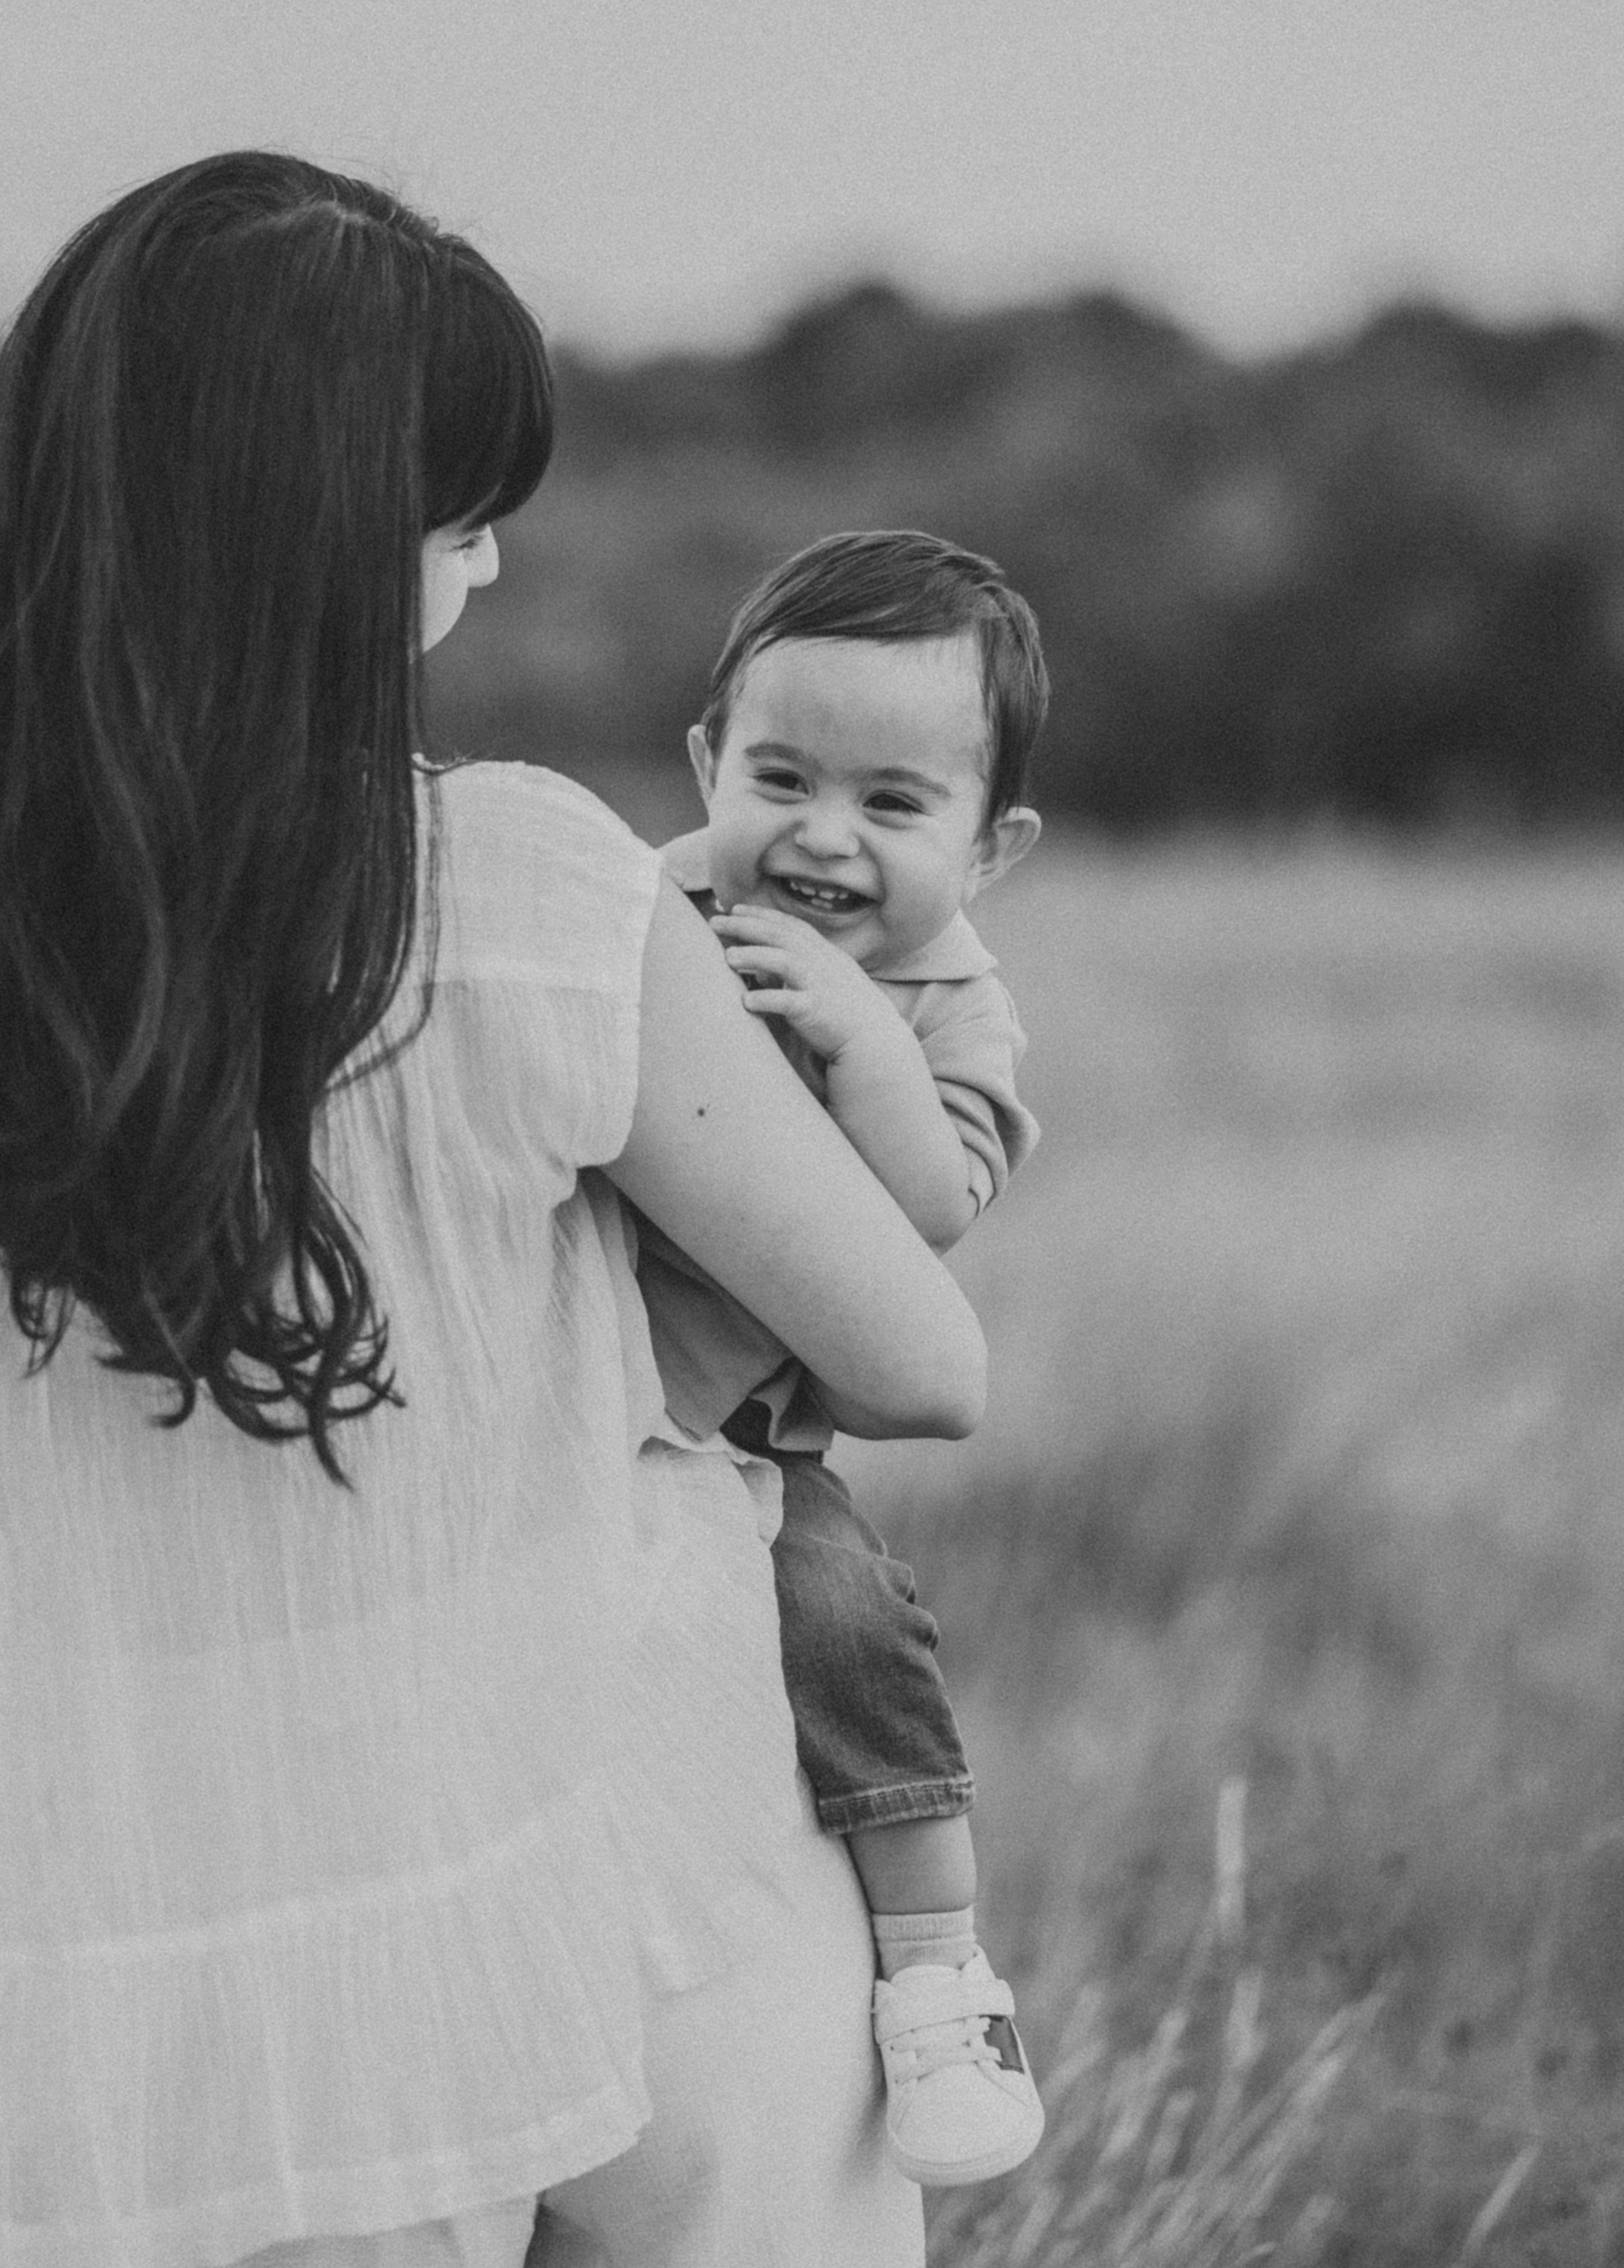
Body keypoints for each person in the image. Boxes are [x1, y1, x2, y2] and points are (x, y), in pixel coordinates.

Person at [0, 155, 987, 2268]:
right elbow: (923, 1366)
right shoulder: (533, 893)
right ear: (318, 534)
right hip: (597, 1865)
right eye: (456, 513)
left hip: (106, 1979)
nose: (478, 567)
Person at [631, 530, 1048, 2186]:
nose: (817, 837)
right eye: (778, 775)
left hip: (748, 1438)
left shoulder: (947, 1004)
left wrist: (857, 1036)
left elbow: (929, 1213)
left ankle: (938, 1972)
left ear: (989, 845)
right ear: (703, 765)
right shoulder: (645, 904)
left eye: (889, 806)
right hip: (570, 1395)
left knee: (843, 1616)